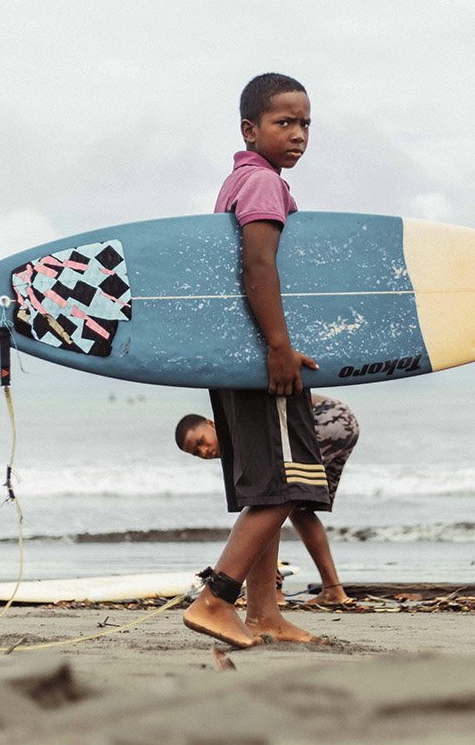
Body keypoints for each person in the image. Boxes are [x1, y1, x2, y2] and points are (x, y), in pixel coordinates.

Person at [181, 72, 327, 648]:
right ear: (250, 129)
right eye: (284, 122)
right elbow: (257, 267)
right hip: (265, 361)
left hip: (236, 361)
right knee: (289, 484)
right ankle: (217, 599)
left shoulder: (236, 182)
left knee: (266, 486)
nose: (298, 134)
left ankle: (265, 613)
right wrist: (279, 347)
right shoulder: (264, 185)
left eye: (305, 123)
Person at [175, 394, 359, 605]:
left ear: (211, 423)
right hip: (344, 421)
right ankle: (333, 591)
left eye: (201, 442)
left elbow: (267, 500)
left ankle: (274, 592)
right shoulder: (234, 438)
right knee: (298, 508)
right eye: (197, 453)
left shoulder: (236, 432)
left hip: (326, 419)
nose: (205, 451)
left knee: (275, 498)